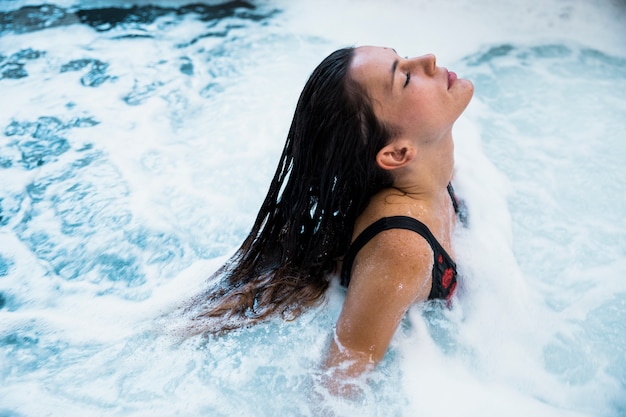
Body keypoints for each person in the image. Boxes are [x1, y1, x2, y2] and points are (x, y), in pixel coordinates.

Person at [184, 45, 473, 385]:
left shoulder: (440, 170)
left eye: (402, 56)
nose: (428, 59)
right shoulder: (402, 249)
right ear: (397, 153)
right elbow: (338, 381)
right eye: (406, 78)